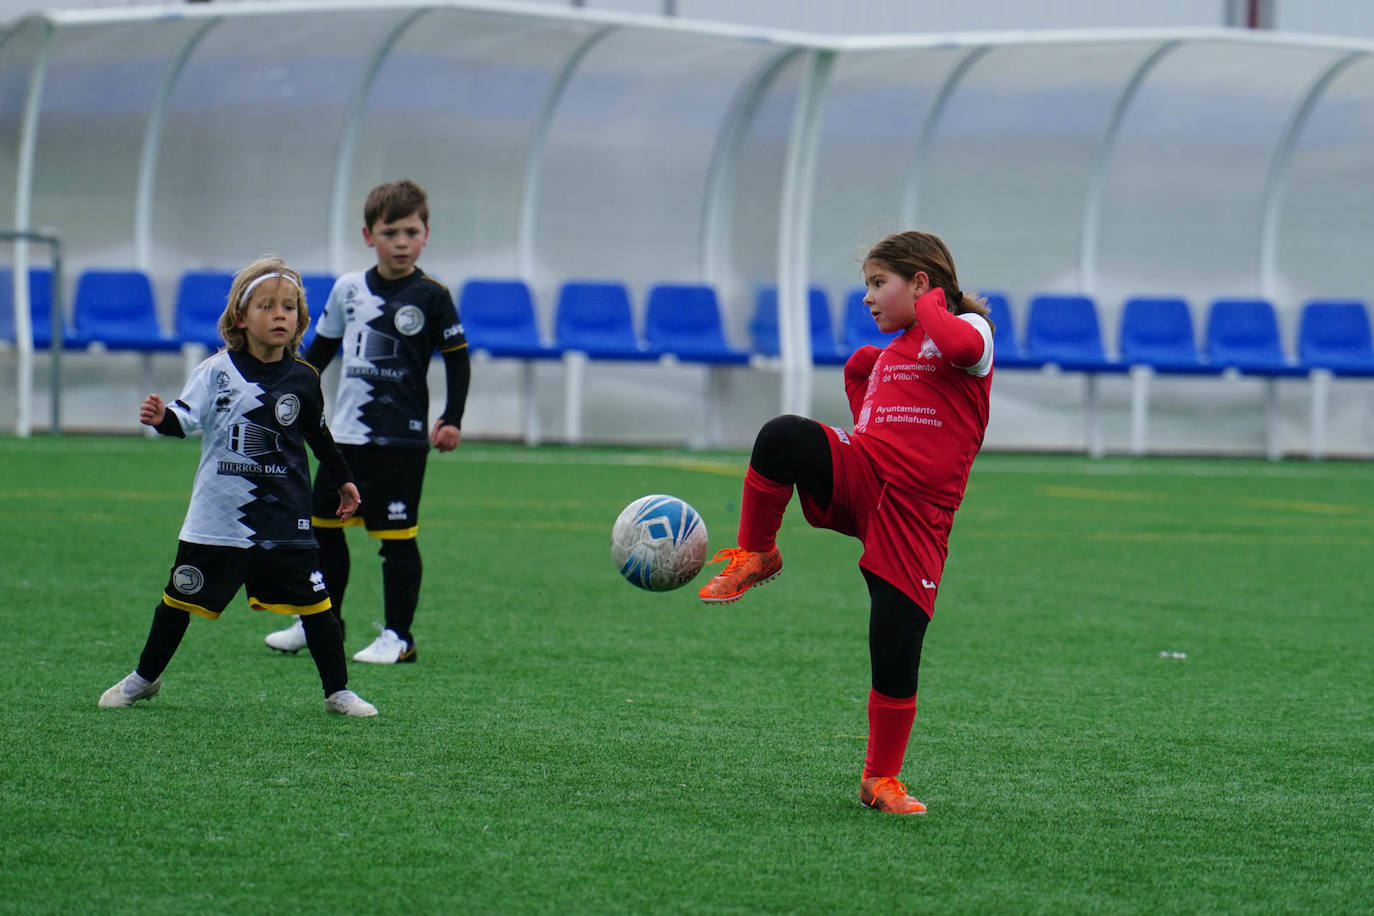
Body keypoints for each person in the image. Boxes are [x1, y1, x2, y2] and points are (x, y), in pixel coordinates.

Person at [697, 230, 994, 814]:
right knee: (783, 435)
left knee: (895, 642)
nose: (868, 297)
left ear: (921, 283)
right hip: (866, 473)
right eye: (868, 285)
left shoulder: (973, 332)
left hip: (917, 515)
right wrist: (868, 379)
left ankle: (879, 779)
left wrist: (933, 306)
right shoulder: (896, 350)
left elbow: (958, 347)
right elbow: (870, 399)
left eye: (878, 283)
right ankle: (757, 552)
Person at [99, 256, 377, 717]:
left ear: (301, 319)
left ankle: (338, 693)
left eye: (289, 307)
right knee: (177, 601)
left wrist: (345, 478)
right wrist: (162, 418)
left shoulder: (305, 378)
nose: (280, 315)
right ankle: (143, 679)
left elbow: (319, 435)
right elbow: (185, 418)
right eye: (267, 306)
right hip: (218, 517)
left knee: (317, 606)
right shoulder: (216, 371)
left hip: (285, 516)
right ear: (240, 318)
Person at [264, 179, 470, 664]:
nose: (401, 242)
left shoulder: (433, 296)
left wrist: (452, 417)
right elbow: (320, 354)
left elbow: (458, 360)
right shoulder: (348, 289)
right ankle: (320, 622)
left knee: (396, 540)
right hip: (345, 438)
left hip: (402, 441)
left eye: (411, 231)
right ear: (368, 235)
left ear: (426, 234)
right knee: (318, 529)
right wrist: (288, 399)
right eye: (390, 231)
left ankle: (400, 637)